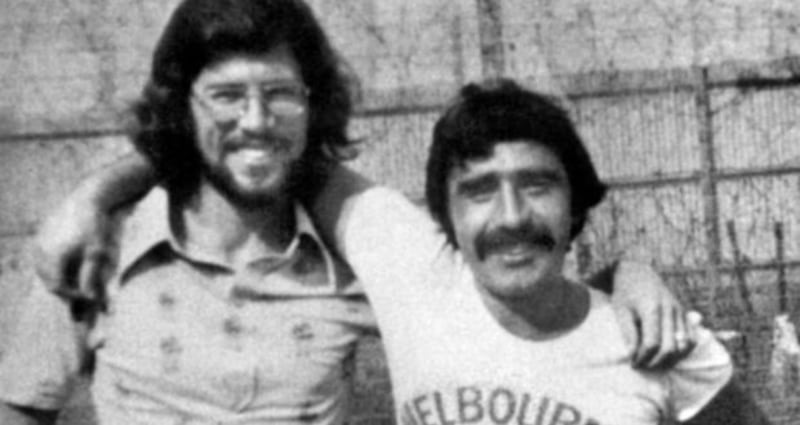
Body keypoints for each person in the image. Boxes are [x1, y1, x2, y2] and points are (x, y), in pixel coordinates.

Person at [3, 1, 695, 424]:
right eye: (225, 95)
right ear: (180, 107)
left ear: (313, 105)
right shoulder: (94, 246)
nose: (255, 119)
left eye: (279, 93)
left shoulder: (361, 256)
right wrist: (97, 193)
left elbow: (512, 280)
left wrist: (632, 272)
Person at [305, 79, 768, 424]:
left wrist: (631, 271)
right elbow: (284, 150)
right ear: (446, 215)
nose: (512, 217)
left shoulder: (655, 339)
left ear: (574, 203)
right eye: (480, 191)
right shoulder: (414, 272)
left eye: (537, 185)